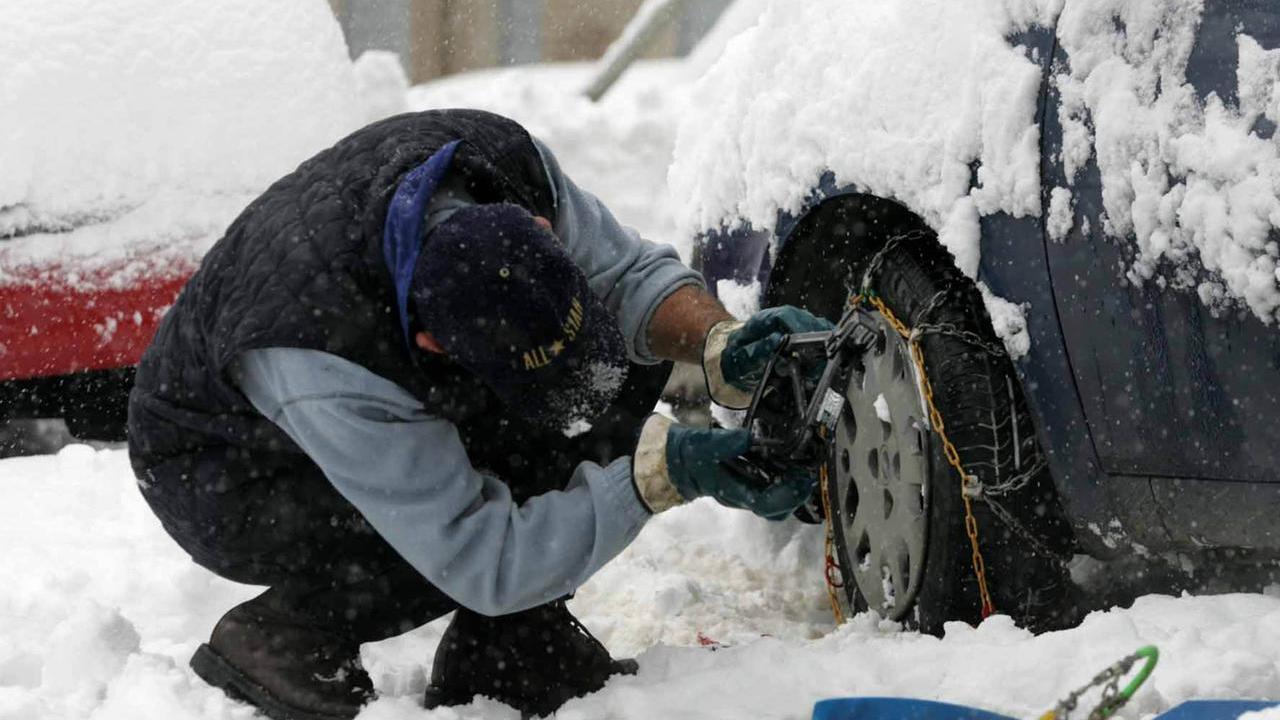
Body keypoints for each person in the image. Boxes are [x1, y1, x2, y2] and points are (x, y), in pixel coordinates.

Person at [127, 109, 831, 720]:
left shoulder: (501, 164)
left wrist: (718, 342)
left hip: (377, 340)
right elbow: (477, 553)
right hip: (227, 470)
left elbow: (626, 278)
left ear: (539, 229)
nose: (579, 417)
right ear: (436, 343)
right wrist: (664, 474)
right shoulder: (325, 362)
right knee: (426, 534)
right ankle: (286, 631)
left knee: (621, 357)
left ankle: (509, 648)